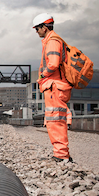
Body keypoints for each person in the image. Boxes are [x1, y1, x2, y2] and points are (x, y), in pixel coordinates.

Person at [32, 13, 73, 163]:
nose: (37, 31)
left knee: (55, 120)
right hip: (57, 86)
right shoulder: (53, 41)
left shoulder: (53, 41)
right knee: (55, 120)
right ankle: (61, 153)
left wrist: (43, 76)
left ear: (44, 27)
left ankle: (61, 155)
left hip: (55, 86)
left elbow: (53, 64)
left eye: (37, 28)